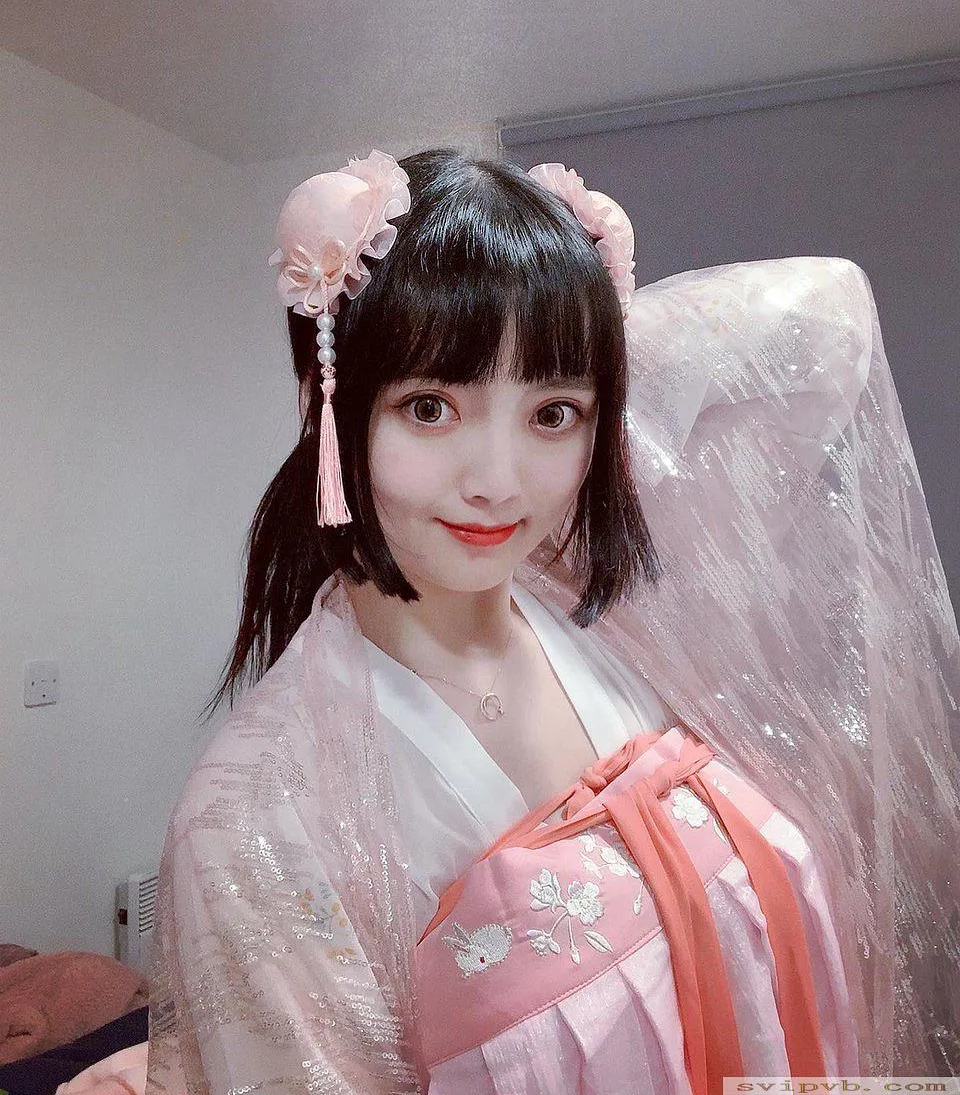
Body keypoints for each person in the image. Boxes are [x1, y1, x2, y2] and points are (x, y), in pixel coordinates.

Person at [146, 149, 960, 1094]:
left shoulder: (604, 611)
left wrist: (571, 315)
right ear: (322, 403)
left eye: (553, 414)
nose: (498, 482)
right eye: (429, 406)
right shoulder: (263, 811)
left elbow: (828, 316)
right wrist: (534, 336)